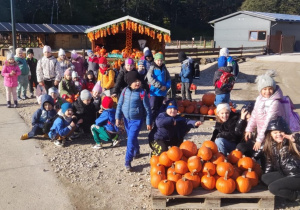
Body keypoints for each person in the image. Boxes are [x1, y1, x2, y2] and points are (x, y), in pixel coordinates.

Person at [115, 71, 152, 171]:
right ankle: (137, 150)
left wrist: (148, 122)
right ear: (129, 82)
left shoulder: (142, 93)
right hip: (126, 119)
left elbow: (148, 109)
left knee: (130, 139)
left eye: (139, 81)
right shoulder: (124, 91)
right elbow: (119, 105)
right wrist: (118, 117)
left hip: (137, 120)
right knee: (132, 137)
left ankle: (128, 161)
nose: (138, 83)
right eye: (135, 81)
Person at [260, 116, 300, 202]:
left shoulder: (291, 143)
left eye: (281, 131)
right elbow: (269, 164)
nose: (278, 135)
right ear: (270, 134)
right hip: (285, 174)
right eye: (275, 132)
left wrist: (296, 139)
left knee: (273, 187)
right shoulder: (272, 146)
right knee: (265, 178)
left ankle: (296, 196)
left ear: (285, 132)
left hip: (297, 175)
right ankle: (288, 188)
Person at [245, 70, 286, 151]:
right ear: (260, 90)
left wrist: (259, 140)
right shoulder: (259, 99)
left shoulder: (275, 102)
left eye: (270, 89)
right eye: (265, 89)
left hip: (272, 134)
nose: (267, 92)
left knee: (268, 153)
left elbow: (267, 122)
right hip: (262, 133)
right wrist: (249, 129)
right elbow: (254, 115)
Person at [147, 53, 171, 122]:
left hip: (163, 92)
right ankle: (151, 122)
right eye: (158, 60)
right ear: (155, 60)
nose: (160, 62)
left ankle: (159, 122)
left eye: (161, 60)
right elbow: (150, 78)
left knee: (161, 108)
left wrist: (167, 86)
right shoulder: (152, 68)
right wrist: (159, 86)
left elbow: (168, 78)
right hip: (154, 92)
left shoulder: (164, 68)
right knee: (153, 107)